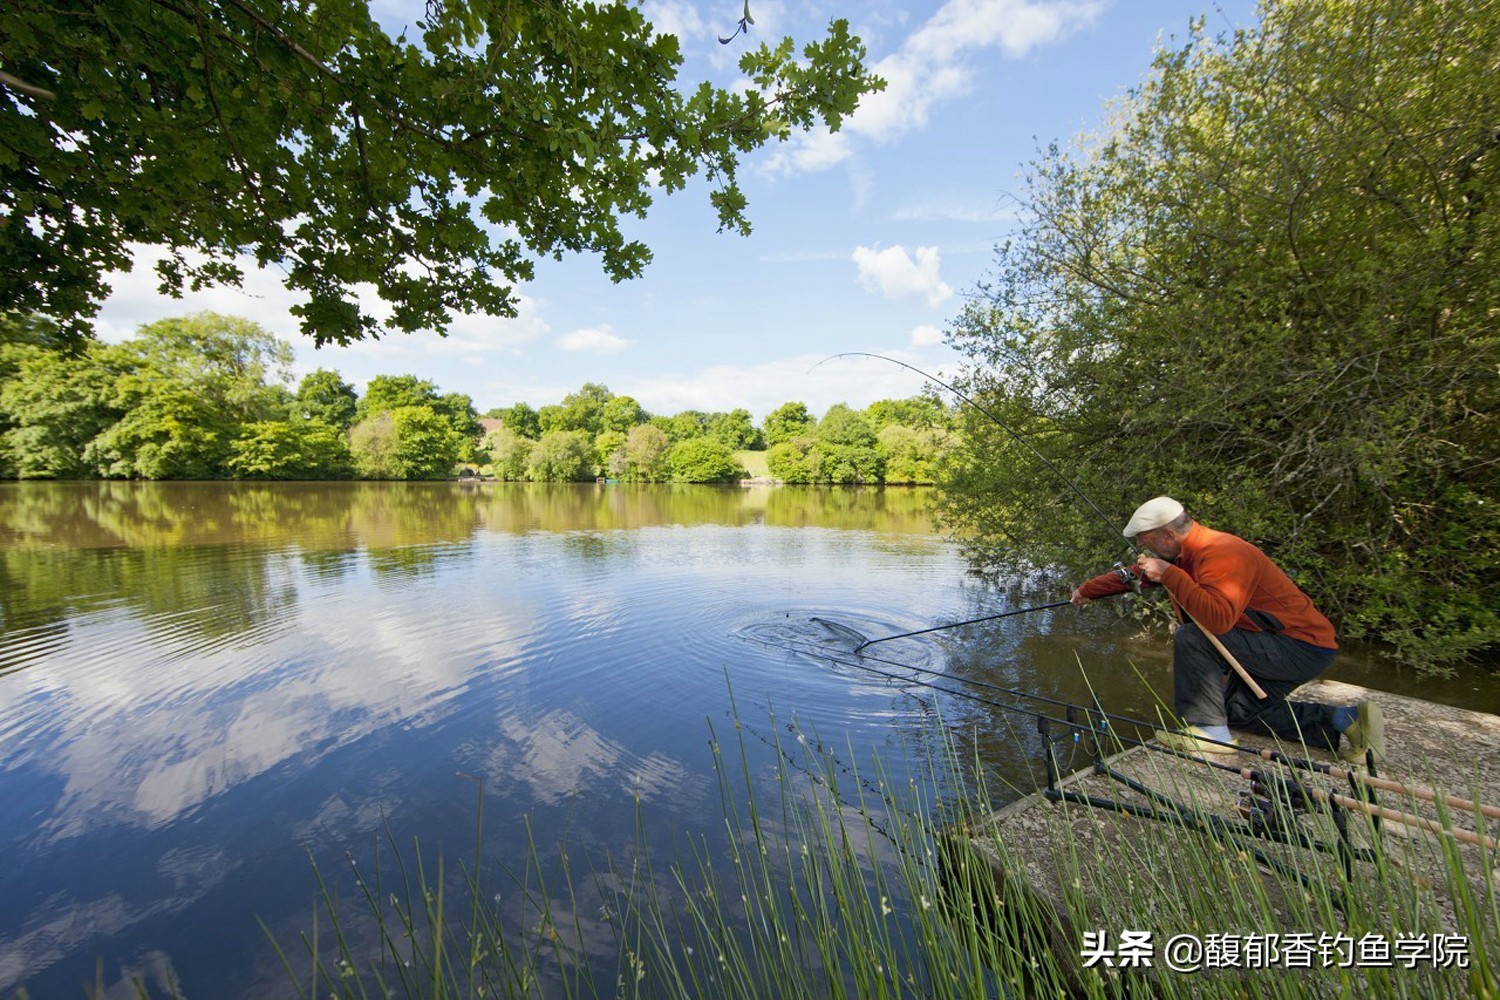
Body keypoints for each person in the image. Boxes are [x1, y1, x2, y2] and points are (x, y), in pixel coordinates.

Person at [1070, 496, 1385, 762]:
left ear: (1167, 535)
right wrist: (1087, 590)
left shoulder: (1222, 553)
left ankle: (1209, 733)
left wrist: (1169, 575)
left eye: (1145, 539)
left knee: (1192, 637)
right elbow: (1134, 574)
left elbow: (1218, 620)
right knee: (1238, 712)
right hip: (1280, 644)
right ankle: (1347, 720)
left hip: (1300, 647)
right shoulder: (1182, 554)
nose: (1141, 545)